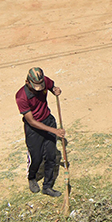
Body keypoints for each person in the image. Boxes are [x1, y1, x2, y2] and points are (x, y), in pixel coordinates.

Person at [15, 67, 66, 197]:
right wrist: (54, 131)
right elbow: (31, 121)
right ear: (27, 82)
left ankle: (47, 186)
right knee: (36, 157)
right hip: (34, 129)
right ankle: (32, 177)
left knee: (50, 156)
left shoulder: (44, 82)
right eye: (35, 86)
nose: (38, 88)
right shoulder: (21, 96)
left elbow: (52, 86)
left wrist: (55, 90)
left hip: (48, 120)